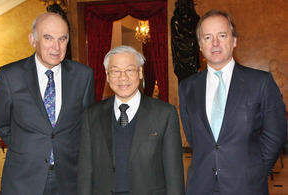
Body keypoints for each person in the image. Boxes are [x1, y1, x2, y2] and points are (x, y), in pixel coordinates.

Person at [179, 10, 287, 195]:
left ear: (234, 40)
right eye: (207, 37)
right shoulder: (187, 87)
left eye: (222, 35)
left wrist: (257, 169)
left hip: (246, 186)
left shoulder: (261, 82)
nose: (215, 43)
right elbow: (193, 136)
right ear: (200, 45)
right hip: (200, 185)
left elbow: (276, 133)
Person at [0, 12, 95, 195]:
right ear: (33, 40)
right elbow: (1, 123)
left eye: (62, 39)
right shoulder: (10, 75)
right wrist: (27, 148)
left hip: (70, 177)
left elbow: (86, 124)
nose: (56, 47)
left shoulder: (83, 75)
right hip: (23, 176)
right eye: (48, 38)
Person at [78, 45, 185, 195]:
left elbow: (174, 175)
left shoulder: (165, 114)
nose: (123, 78)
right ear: (107, 75)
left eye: (129, 70)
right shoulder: (92, 115)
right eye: (115, 71)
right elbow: (85, 171)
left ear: (140, 72)